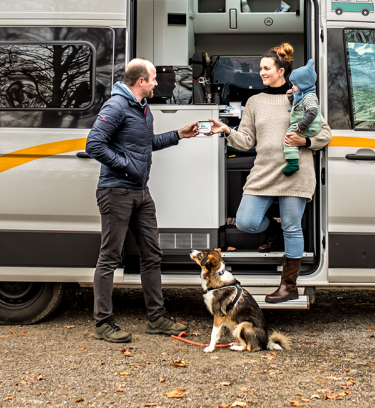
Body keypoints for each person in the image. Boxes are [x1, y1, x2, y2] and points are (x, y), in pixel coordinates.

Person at [206, 43, 332, 303]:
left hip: (295, 172)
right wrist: (227, 131)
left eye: (266, 68)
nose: (261, 72)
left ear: (281, 71)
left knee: (292, 227)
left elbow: (325, 134)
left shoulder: (301, 97)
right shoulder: (255, 102)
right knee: (246, 221)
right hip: (263, 172)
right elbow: (246, 141)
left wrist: (305, 141)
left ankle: (289, 286)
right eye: (260, 68)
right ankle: (273, 230)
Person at [86, 58, 199, 343]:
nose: (156, 83)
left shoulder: (143, 108)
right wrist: (127, 166)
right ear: (141, 81)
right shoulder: (116, 106)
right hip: (116, 191)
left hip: (140, 192)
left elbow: (145, 145)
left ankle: (156, 317)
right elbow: (94, 144)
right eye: (153, 78)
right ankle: (103, 323)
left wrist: (178, 135)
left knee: (152, 254)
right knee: (110, 257)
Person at [282, 59, 322, 176]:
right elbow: (298, 107)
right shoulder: (304, 94)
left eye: (295, 85)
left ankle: (293, 163)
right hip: (307, 124)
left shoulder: (309, 97)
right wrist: (291, 97)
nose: (293, 87)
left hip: (308, 125)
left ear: (304, 84)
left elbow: (312, 112)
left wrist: (302, 124)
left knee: (289, 137)